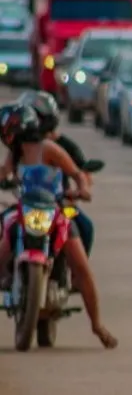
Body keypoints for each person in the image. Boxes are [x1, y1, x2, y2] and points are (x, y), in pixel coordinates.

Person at [0, 104, 117, 349]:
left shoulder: (49, 149)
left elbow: (76, 173)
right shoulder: (16, 153)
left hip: (54, 210)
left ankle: (97, 325)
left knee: (81, 266)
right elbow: (4, 172)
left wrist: (82, 189)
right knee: (3, 244)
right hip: (24, 209)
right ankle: (7, 277)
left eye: (9, 129)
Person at [19, 90, 95, 254]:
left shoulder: (64, 146)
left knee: (85, 227)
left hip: (59, 204)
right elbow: (5, 171)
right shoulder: (19, 147)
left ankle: (76, 276)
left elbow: (81, 172)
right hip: (25, 204)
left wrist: (80, 191)